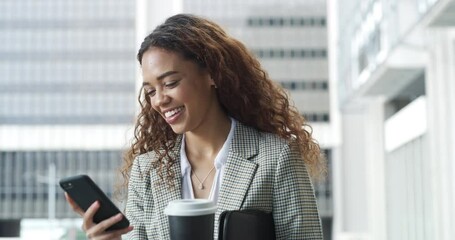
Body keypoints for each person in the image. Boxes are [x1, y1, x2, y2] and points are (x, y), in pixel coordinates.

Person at [65, 13, 325, 240]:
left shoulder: (276, 157)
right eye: (151, 91)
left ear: (212, 73)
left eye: (170, 83)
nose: (159, 100)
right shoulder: (147, 170)